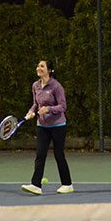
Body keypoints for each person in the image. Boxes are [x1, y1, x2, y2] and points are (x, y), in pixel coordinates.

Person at [21, 60, 74, 196]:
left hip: (58, 125)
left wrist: (48, 109)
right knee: (40, 155)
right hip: (42, 126)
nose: (39, 68)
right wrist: (31, 112)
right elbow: (35, 104)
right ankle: (36, 185)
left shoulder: (56, 86)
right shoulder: (35, 86)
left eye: (42, 66)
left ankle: (67, 184)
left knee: (58, 154)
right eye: (38, 66)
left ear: (49, 70)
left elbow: (63, 106)